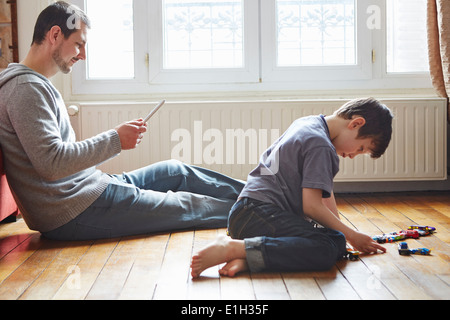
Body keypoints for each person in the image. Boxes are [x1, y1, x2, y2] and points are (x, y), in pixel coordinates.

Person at [0, 1, 244, 241]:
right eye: (78, 45)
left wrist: (116, 138)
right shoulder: (25, 89)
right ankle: (262, 211)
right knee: (189, 205)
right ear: (55, 34)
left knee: (175, 170)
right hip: (71, 211)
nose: (83, 55)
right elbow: (52, 164)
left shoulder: (33, 84)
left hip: (87, 190)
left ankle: (263, 193)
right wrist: (116, 139)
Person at [191, 98, 394, 278]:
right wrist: (351, 235)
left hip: (246, 215)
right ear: (356, 123)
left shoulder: (309, 123)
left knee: (335, 240)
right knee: (328, 246)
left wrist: (340, 232)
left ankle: (248, 258)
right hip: (258, 215)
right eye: (360, 148)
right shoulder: (321, 146)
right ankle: (234, 249)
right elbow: (312, 207)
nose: (353, 155)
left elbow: (324, 193)